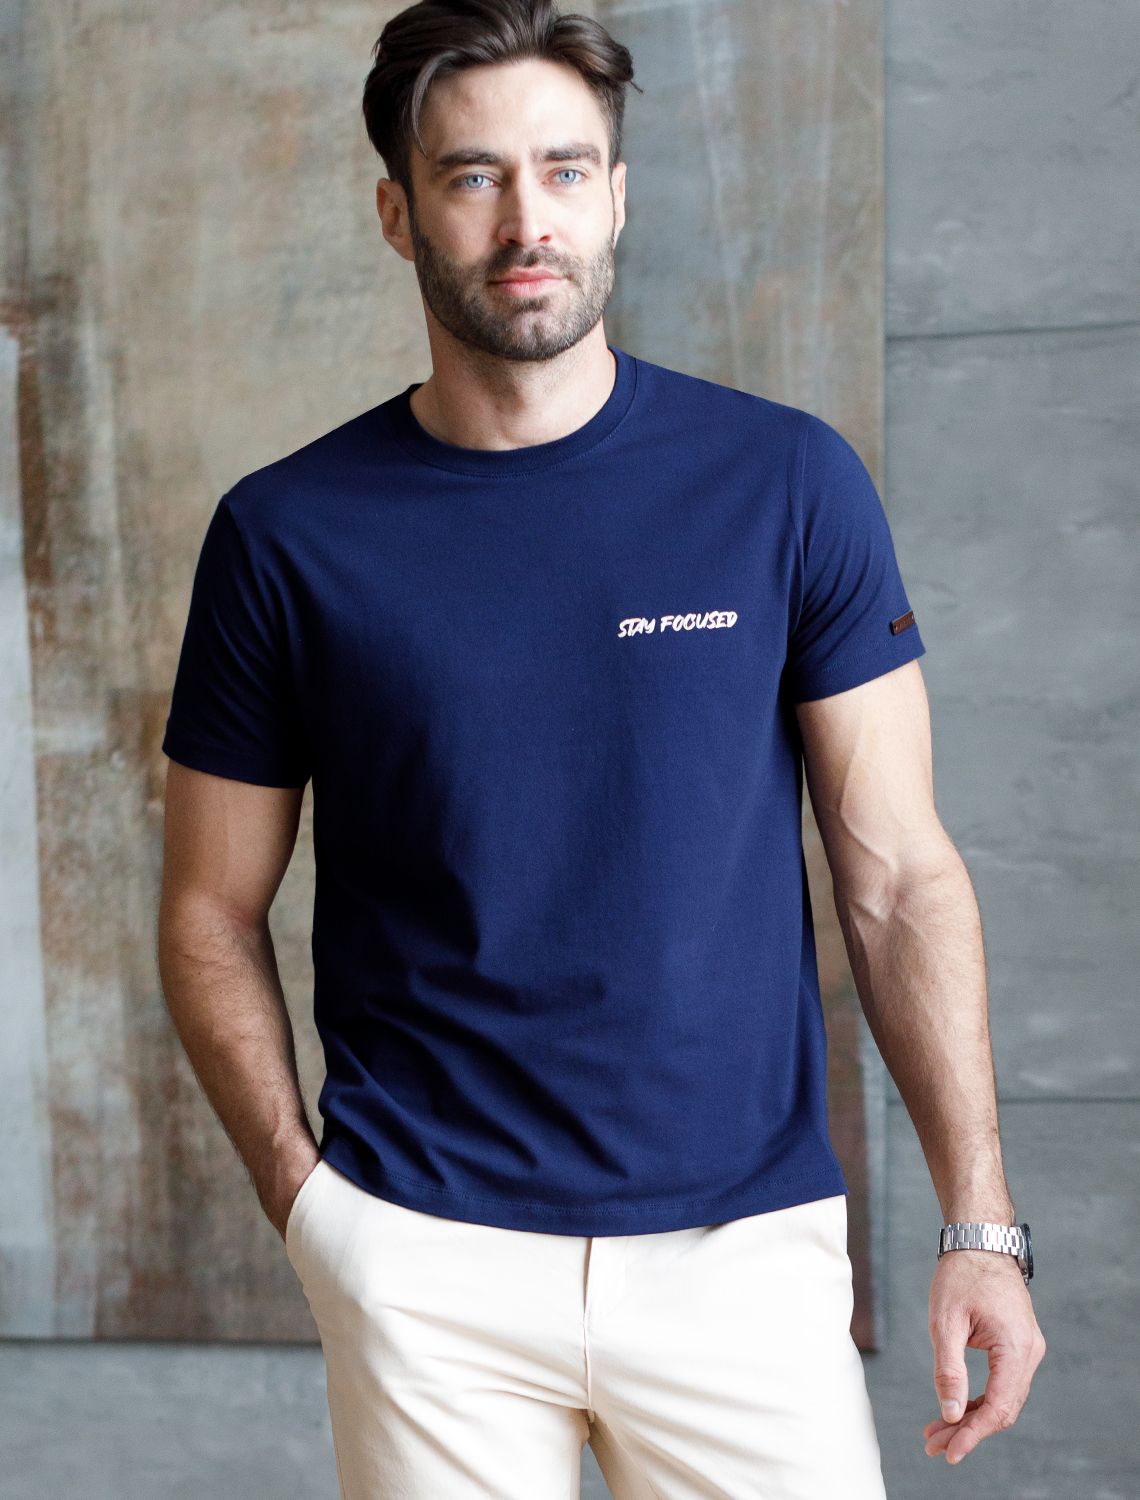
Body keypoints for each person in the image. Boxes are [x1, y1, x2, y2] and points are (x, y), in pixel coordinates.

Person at [156, 1, 1046, 1495]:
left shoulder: (785, 484)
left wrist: (981, 1223)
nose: (529, 222)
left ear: (618, 195)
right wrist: (311, 1206)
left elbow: (898, 876)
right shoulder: (286, 535)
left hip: (741, 1258)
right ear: (398, 213)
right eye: (474, 176)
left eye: (566, 171)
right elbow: (207, 907)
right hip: (424, 1256)